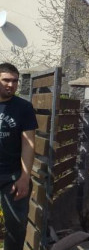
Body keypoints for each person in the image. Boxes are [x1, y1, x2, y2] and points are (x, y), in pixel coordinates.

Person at [0, 63, 37, 250]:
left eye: (14, 81)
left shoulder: (23, 107)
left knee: (16, 225)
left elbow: (28, 143)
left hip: (12, 176)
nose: (11, 84)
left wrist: (25, 177)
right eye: (6, 80)